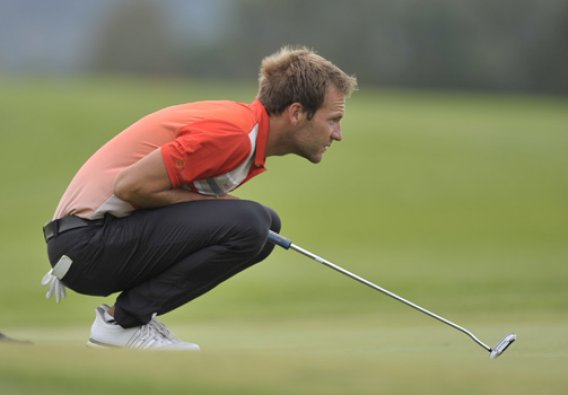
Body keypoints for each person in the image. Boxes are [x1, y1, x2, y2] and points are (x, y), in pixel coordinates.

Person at [41, 46, 357, 350]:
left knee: (263, 228)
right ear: (297, 113)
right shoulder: (234, 134)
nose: (337, 134)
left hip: (93, 241)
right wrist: (224, 209)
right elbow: (129, 186)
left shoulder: (246, 133)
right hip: (83, 246)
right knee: (252, 223)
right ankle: (121, 325)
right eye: (333, 120)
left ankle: (132, 320)